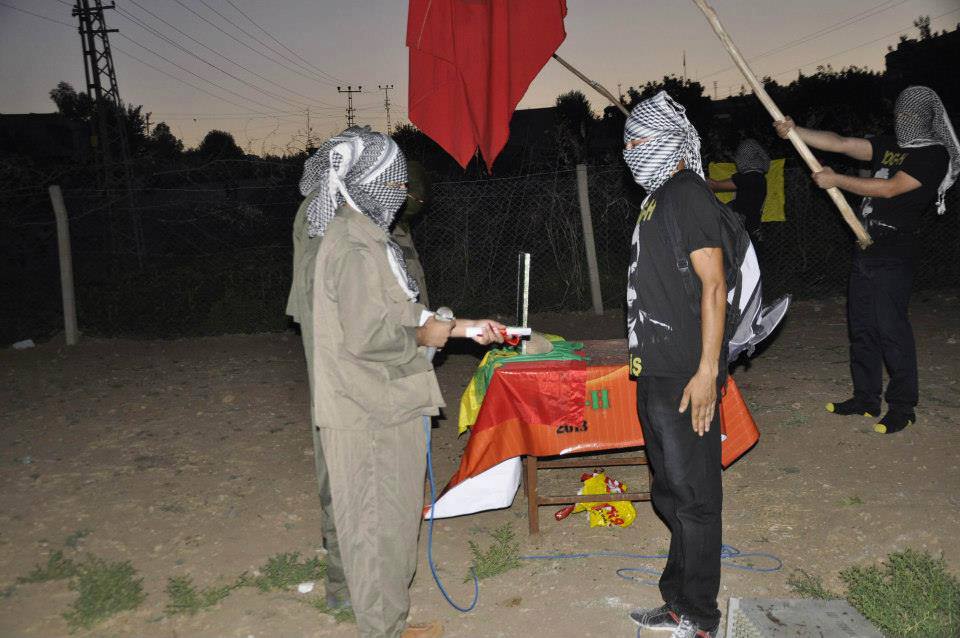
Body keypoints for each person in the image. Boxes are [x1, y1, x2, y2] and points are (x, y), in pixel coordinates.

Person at [298, 126, 504, 638]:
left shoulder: (370, 238)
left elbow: (399, 310)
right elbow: (370, 335)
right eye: (392, 182)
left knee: (393, 528)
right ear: (367, 182)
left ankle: (390, 620)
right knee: (375, 533)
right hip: (368, 410)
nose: (400, 193)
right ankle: (381, 628)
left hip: (388, 402)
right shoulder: (352, 246)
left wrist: (462, 327)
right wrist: (425, 335)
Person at [774, 85, 958, 434]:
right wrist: (796, 130)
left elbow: (891, 188)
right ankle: (865, 399)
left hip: (894, 251)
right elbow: (841, 143)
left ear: (926, 118)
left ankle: (903, 406)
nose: (902, 119)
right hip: (865, 248)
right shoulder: (890, 145)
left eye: (910, 114)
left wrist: (836, 180)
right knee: (861, 329)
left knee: (892, 331)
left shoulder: (934, 155)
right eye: (900, 112)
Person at [622, 91, 728, 638]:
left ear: (670, 142)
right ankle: (677, 600)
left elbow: (714, 285)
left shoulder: (687, 193)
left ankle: (701, 616)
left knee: (696, 499)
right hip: (657, 370)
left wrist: (707, 372)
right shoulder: (658, 197)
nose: (631, 151)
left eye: (640, 141)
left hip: (688, 372)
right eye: (627, 143)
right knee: (670, 492)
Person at [707, 138, 771, 246]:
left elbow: (714, 185)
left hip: (740, 233)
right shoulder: (760, 178)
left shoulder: (748, 178)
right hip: (751, 229)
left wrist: (695, 176)